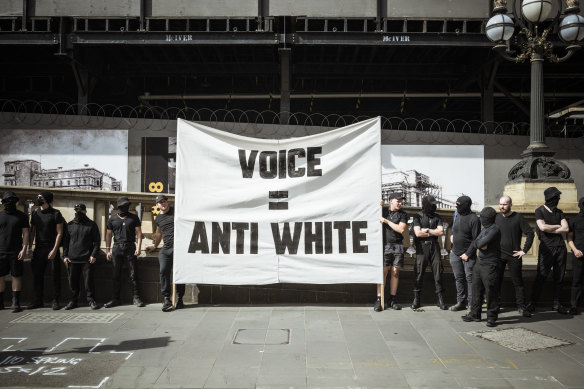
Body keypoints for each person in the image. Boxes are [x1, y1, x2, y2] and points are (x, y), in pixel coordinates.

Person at [527, 186, 570, 314]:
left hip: (560, 248)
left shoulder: (559, 212)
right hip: (547, 248)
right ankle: (532, 303)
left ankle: (557, 304)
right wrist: (558, 226)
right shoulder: (539, 211)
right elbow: (542, 227)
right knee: (541, 276)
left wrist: (551, 227)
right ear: (550, 198)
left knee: (560, 277)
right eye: (556, 197)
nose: (558, 199)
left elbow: (566, 228)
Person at [461, 207, 501, 327]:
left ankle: (491, 318)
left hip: (490, 265)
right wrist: (480, 244)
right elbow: (476, 243)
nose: (480, 219)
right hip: (480, 263)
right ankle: (475, 314)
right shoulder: (486, 229)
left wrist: (480, 243)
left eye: (482, 217)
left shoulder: (495, 229)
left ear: (487, 219)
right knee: (476, 289)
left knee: (490, 291)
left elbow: (479, 243)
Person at [495, 195, 534, 317]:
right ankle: (496, 306)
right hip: (499, 255)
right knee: (496, 281)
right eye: (501, 204)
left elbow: (530, 233)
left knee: (518, 282)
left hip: (514, 256)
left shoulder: (518, 218)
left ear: (511, 204)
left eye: (505, 204)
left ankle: (521, 307)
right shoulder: (496, 217)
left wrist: (524, 250)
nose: (502, 206)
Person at [146, 194, 185, 312]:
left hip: (179, 248)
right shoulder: (158, 218)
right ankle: (167, 298)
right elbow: (158, 233)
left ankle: (180, 299)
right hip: (166, 249)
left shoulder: (176, 211)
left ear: (168, 202)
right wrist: (155, 245)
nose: (163, 204)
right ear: (157, 205)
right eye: (160, 202)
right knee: (163, 271)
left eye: (164, 201)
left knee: (179, 274)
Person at [104, 197, 145, 308]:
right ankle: (115, 299)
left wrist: (139, 248)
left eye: (127, 206)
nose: (125, 208)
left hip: (130, 247)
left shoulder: (134, 217)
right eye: (123, 206)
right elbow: (108, 234)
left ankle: (136, 298)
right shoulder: (112, 219)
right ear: (119, 207)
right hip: (117, 248)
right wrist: (107, 250)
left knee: (133, 274)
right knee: (115, 274)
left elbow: (139, 234)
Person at [28, 191, 65, 310]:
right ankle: (38, 300)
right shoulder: (35, 213)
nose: (38, 198)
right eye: (38, 196)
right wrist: (30, 248)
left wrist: (54, 250)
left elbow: (60, 233)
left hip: (51, 247)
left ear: (47, 199)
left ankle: (55, 300)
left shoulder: (56, 213)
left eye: (40, 197)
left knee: (55, 275)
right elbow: (32, 231)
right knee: (37, 275)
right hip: (38, 248)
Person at [411, 195, 447, 310]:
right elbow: (417, 233)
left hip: (434, 246)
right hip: (421, 247)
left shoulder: (437, 216)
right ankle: (416, 299)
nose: (434, 206)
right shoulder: (418, 216)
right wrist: (432, 232)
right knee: (419, 271)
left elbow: (441, 232)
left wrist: (426, 230)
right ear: (426, 204)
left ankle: (440, 299)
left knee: (438, 272)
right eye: (432, 204)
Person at [63, 204, 101, 310]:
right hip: (72, 259)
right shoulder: (69, 225)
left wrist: (94, 255)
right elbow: (65, 242)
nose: (78, 212)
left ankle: (91, 300)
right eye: (77, 210)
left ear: (85, 211)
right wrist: (65, 255)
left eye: (81, 211)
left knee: (89, 282)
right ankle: (73, 301)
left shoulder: (92, 225)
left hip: (87, 259)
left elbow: (97, 241)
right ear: (74, 211)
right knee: (73, 282)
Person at [375, 192, 407, 311]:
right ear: (391, 201)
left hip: (397, 245)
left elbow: (401, 229)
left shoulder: (403, 214)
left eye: (401, 201)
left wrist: (387, 221)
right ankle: (379, 299)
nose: (400, 203)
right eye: (398, 200)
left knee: (395, 272)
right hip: (384, 245)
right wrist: (378, 205)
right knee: (383, 272)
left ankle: (393, 299)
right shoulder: (382, 211)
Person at [449, 195, 481, 311]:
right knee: (459, 278)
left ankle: (472, 305)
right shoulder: (457, 215)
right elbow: (454, 229)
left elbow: (476, 240)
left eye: (459, 205)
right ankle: (460, 302)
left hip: (468, 255)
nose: (457, 207)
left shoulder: (474, 219)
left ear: (466, 205)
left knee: (470, 279)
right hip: (455, 253)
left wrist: (467, 254)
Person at [0, 192, 29, 312]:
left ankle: (15, 302)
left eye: (12, 200)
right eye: (7, 200)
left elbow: (26, 233)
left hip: (16, 251)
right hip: (0, 251)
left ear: (16, 202)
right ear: (3, 202)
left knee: (16, 276)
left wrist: (24, 249)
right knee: (0, 277)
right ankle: (0, 303)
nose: (10, 203)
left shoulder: (22, 216)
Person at [567, 196, 584, 315]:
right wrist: (575, 250)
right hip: (579, 255)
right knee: (576, 280)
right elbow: (569, 238)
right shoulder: (574, 220)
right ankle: (574, 305)